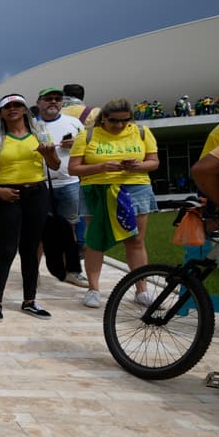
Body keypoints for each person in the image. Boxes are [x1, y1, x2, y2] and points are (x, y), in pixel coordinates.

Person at [67, 99, 160, 308]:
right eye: (114, 121)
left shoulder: (142, 132)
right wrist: (101, 167)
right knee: (95, 239)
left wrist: (137, 166)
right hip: (97, 190)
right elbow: (73, 169)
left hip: (135, 188)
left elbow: (154, 162)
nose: (119, 126)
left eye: (125, 121)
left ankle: (141, 290)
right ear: (104, 118)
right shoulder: (87, 135)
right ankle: (93, 289)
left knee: (135, 240)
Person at [0, 95, 60, 320]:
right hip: (8, 195)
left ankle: (29, 300)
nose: (12, 109)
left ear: (25, 110)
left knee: (30, 250)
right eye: (7, 107)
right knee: (6, 250)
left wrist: (49, 153)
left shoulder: (40, 135)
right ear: (1, 113)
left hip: (36, 193)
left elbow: (55, 165)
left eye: (17, 105)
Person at [34, 88, 88, 285]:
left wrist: (76, 144)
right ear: (39, 102)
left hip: (69, 183)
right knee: (38, 230)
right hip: (40, 184)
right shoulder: (32, 126)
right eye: (48, 99)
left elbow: (88, 147)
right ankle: (33, 272)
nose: (53, 102)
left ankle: (72, 271)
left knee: (69, 229)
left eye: (57, 99)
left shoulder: (73, 123)